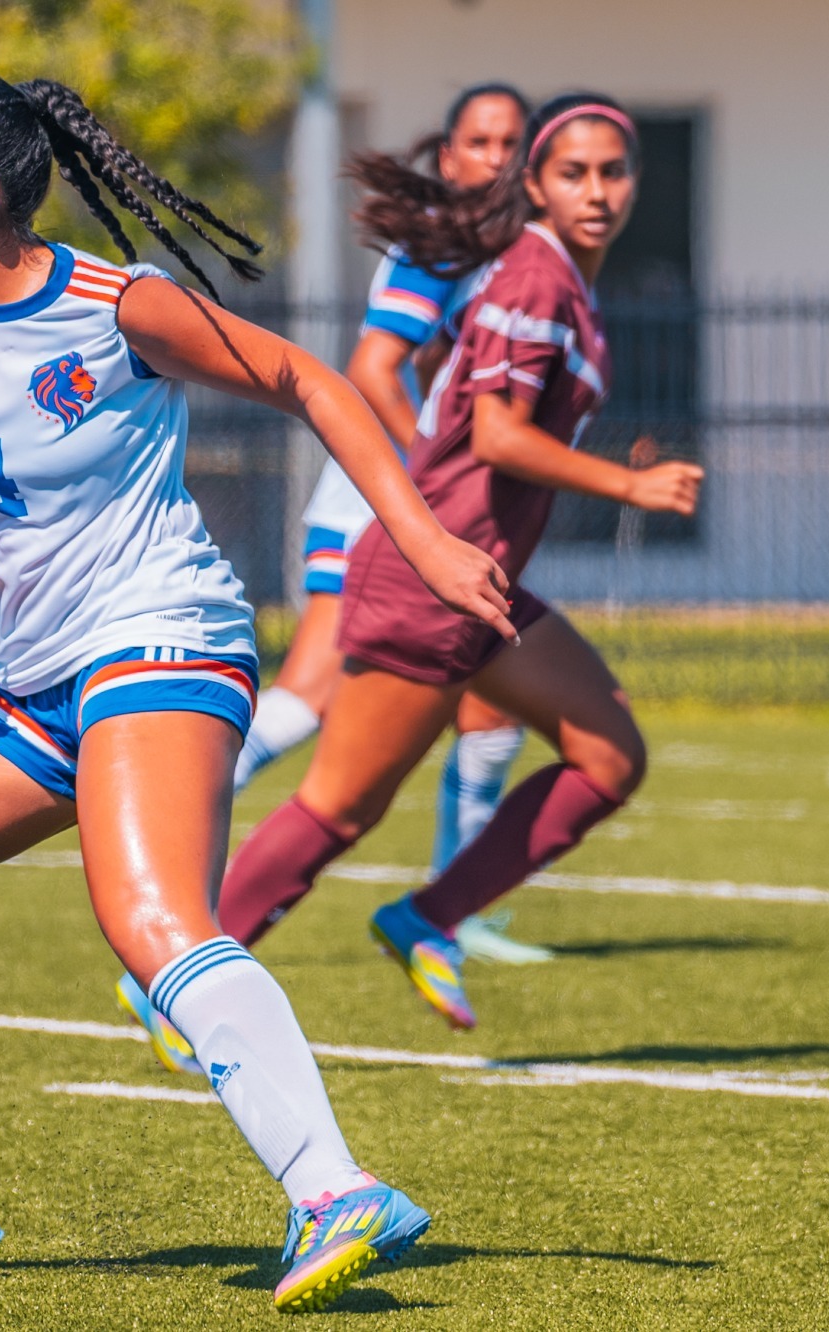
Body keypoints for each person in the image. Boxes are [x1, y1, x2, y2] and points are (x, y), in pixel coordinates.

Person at [0, 68, 514, 1314]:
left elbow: (310, 382)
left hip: (163, 640)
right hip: (30, 682)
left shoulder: (119, 305)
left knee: (148, 916)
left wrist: (417, 539)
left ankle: (332, 1188)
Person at [216, 92, 703, 1031]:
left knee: (609, 754)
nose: (597, 190)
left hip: (477, 583)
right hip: (429, 578)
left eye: (614, 170)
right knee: (340, 807)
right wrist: (627, 487)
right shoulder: (536, 276)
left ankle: (427, 917)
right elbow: (495, 433)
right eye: (574, 172)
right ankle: (175, 976)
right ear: (536, 184)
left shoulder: (558, 276)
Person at [235, 82, 552, 968]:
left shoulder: (505, 252)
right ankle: (171, 839)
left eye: (512, 143)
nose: (498, 158)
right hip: (382, 512)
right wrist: (433, 486)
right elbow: (374, 369)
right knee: (309, 698)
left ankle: (459, 908)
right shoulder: (440, 243)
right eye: (481, 142)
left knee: (495, 703)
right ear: (448, 158)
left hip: (436, 516)